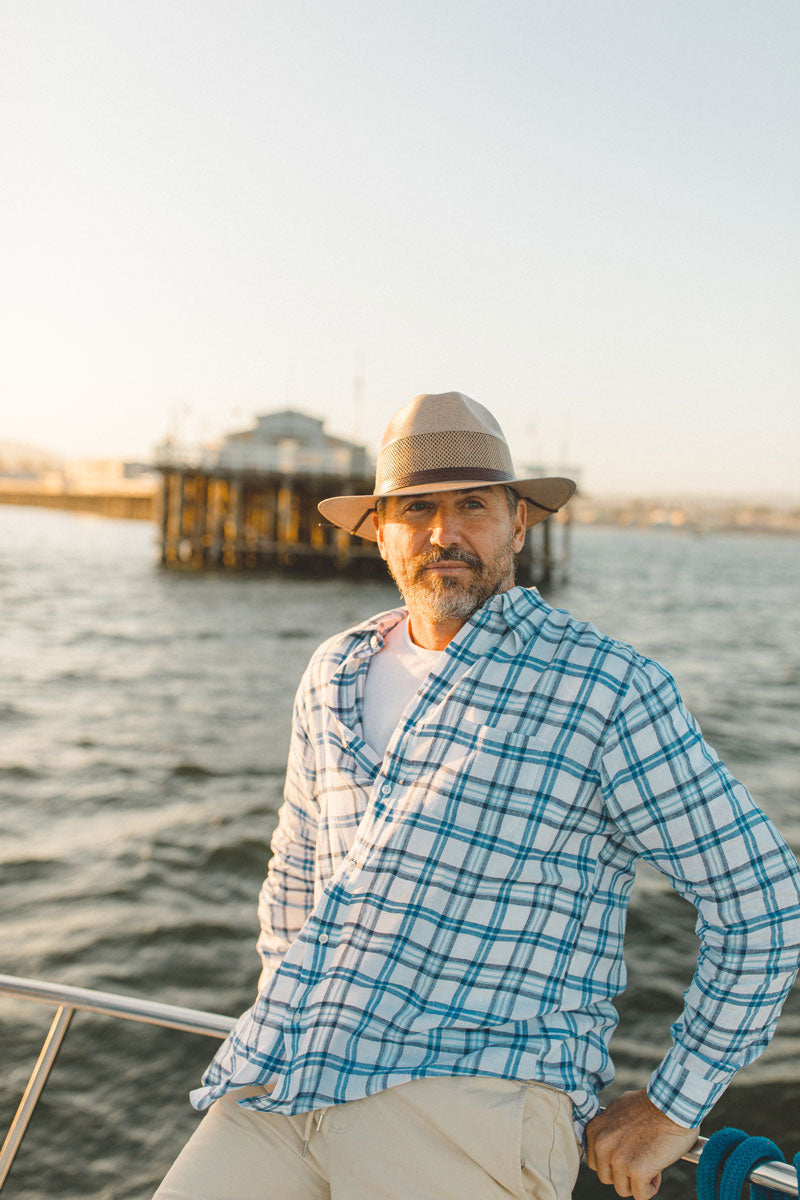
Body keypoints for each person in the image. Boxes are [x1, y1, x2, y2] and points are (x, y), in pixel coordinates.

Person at [155, 391, 800, 1200]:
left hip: (471, 1098)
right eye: (417, 508)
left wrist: (675, 1107)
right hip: (284, 1080)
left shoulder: (604, 687)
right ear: (380, 531)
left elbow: (763, 902)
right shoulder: (333, 673)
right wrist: (283, 1009)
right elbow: (293, 875)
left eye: (473, 506)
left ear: (519, 524)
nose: (444, 533)